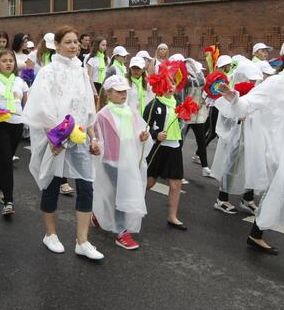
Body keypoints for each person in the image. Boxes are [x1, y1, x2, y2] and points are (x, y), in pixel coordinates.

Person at [216, 36, 284, 278]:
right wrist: (233, 97)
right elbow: (247, 104)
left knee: (276, 192)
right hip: (277, 152)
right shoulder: (276, 83)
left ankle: (255, 234)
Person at [22, 25, 104, 260]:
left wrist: (93, 136)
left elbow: (87, 107)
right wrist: (54, 137)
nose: (74, 46)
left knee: (86, 185)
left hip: (78, 137)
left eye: (76, 42)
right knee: (53, 184)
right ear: (56, 45)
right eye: (68, 42)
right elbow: (42, 106)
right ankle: (50, 234)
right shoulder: (49, 71)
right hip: (57, 138)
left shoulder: (80, 71)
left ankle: (83, 240)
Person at [92, 75, 150, 250]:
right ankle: (121, 231)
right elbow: (97, 136)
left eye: (124, 91)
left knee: (114, 192)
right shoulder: (102, 115)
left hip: (129, 159)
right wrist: (95, 147)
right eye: (118, 92)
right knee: (121, 192)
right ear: (108, 93)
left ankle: (99, 214)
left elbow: (138, 132)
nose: (123, 95)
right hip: (111, 160)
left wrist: (143, 136)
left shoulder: (130, 111)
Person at [211, 61, 262, 215]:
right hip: (234, 139)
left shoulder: (255, 94)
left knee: (251, 166)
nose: (253, 83)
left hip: (251, 136)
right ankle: (222, 198)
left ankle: (248, 198)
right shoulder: (228, 95)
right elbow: (223, 121)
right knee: (230, 166)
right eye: (250, 80)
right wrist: (237, 118)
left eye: (254, 80)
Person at [0, 50, 28, 216]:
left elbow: (26, 105)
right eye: (4, 61)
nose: (8, 63)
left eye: (11, 61)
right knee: (7, 162)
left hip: (16, 125)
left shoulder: (21, 82)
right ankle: (9, 201)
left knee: (6, 160)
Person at [143, 74, 187, 230]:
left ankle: (172, 217)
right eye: (167, 83)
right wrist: (156, 135)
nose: (171, 86)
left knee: (176, 183)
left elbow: (183, 120)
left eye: (173, 83)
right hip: (158, 147)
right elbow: (143, 127)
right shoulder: (154, 104)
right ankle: (130, 207)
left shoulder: (179, 103)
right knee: (149, 182)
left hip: (174, 146)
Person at [183, 58, 212, 177]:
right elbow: (180, 95)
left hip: (198, 113)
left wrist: (202, 101)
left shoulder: (200, 78)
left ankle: (205, 167)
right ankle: (176, 172)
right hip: (185, 113)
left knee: (201, 140)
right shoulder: (183, 77)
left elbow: (206, 91)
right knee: (179, 143)